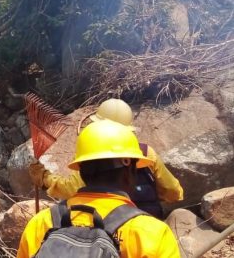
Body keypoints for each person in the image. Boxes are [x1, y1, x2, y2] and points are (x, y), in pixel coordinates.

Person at [17, 119, 181, 257]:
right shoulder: (151, 234)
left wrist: (44, 179)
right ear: (129, 171)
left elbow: (66, 188)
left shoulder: (41, 223)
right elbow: (175, 192)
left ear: (80, 170)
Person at [28, 98, 183, 218]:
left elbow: (71, 188)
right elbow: (173, 191)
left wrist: (45, 178)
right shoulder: (146, 153)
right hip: (149, 224)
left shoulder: (93, 155)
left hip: (107, 228)